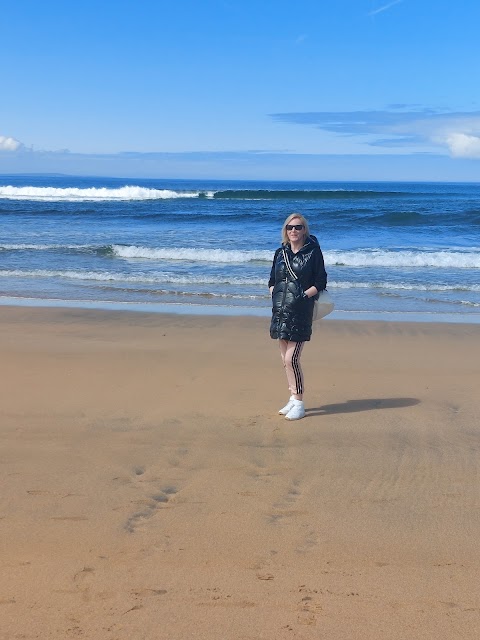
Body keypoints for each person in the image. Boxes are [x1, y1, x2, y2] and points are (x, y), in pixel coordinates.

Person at [268, 213, 327, 420]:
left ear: (305, 230)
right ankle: (292, 398)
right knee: (284, 359)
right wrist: (273, 291)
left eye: (298, 227)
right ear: (285, 230)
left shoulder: (313, 253)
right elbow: (272, 279)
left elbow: (321, 282)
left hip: (300, 311)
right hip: (280, 310)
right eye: (290, 227)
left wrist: (303, 297)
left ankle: (300, 402)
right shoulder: (280, 253)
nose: (294, 231)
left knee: (291, 358)